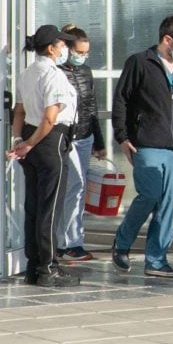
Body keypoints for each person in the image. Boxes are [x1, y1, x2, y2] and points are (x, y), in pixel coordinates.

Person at [110, 15, 173, 276]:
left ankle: (156, 259)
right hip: (146, 143)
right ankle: (123, 241)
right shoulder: (140, 62)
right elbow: (121, 101)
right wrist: (123, 137)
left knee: (168, 202)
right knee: (150, 195)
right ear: (167, 39)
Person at [7, 25, 78, 287]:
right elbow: (50, 118)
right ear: (51, 48)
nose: (65, 50)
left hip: (30, 137)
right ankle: (48, 267)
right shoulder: (53, 75)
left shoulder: (27, 74)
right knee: (50, 206)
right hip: (49, 140)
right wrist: (30, 144)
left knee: (34, 206)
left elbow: (19, 113)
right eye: (63, 45)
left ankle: (33, 265)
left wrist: (19, 141)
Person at [58, 26, 101, 262]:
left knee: (78, 188)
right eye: (79, 51)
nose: (82, 56)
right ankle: (67, 242)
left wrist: (99, 140)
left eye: (86, 52)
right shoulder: (56, 72)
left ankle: (72, 241)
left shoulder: (86, 72)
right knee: (70, 188)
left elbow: (91, 106)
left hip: (85, 136)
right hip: (65, 136)